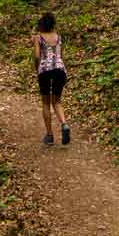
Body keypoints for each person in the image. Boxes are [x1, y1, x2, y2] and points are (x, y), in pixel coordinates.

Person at [33, 12, 70, 145]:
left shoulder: (38, 37)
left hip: (45, 71)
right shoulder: (58, 37)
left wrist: (37, 68)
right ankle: (64, 124)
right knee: (57, 101)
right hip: (60, 71)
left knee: (45, 103)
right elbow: (61, 55)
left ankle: (49, 136)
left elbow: (37, 56)